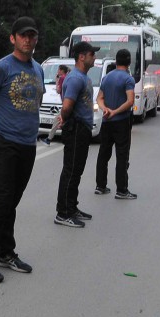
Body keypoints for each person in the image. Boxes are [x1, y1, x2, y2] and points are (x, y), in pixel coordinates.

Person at [0, 17, 45, 283]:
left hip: (28, 144)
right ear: (13, 38)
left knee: (12, 200)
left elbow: (36, 101)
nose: (28, 39)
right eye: (23, 35)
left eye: (32, 35)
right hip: (4, 142)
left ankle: (5, 252)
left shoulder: (38, 69)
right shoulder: (1, 68)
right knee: (1, 200)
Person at [55, 41, 100, 228]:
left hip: (82, 129)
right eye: (91, 54)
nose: (94, 57)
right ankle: (63, 212)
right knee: (71, 171)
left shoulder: (84, 77)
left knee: (77, 171)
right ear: (81, 56)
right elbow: (66, 106)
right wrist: (65, 119)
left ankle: (72, 207)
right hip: (76, 129)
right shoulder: (75, 79)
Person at [95, 49, 137, 199]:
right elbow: (130, 101)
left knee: (103, 154)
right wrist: (116, 111)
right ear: (129, 62)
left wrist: (105, 109)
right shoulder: (128, 79)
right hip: (121, 122)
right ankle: (122, 190)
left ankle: (100, 186)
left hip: (106, 122)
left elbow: (99, 98)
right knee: (122, 155)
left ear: (116, 61)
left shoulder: (106, 77)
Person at [41, 65, 69, 145]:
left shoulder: (61, 78)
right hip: (67, 103)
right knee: (63, 121)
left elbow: (58, 90)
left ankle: (49, 139)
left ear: (61, 70)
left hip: (65, 104)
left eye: (58, 70)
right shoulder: (67, 77)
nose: (57, 71)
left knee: (57, 120)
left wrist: (57, 81)